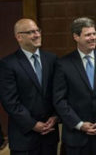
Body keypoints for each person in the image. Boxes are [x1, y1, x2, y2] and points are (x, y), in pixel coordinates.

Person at [52, 17, 96, 155]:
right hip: (76, 138)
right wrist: (79, 124)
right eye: (88, 35)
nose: (93, 38)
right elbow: (59, 99)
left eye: (94, 34)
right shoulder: (63, 64)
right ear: (76, 37)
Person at [0, 18, 59, 155]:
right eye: (31, 32)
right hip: (24, 137)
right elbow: (10, 101)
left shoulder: (52, 59)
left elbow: (58, 92)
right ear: (19, 37)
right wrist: (32, 124)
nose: (37, 34)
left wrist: (56, 116)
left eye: (38, 30)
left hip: (50, 135)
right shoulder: (8, 64)